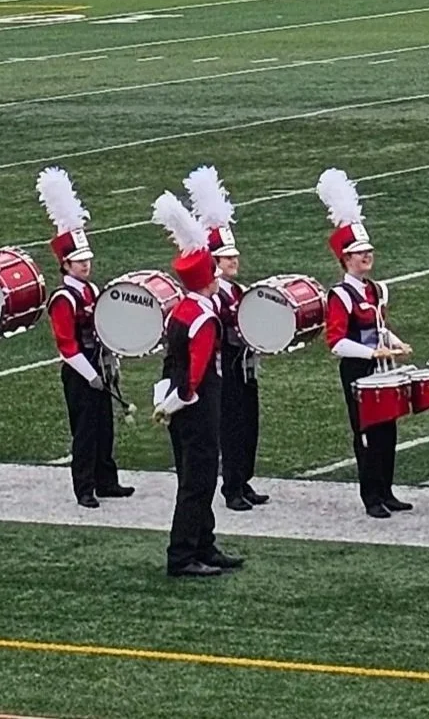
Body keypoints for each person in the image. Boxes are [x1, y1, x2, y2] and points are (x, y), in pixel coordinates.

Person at [152, 190, 244, 578]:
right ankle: (183, 553)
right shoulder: (204, 317)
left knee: (196, 475)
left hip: (180, 400)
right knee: (199, 479)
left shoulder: (182, 308)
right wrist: (187, 396)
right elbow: (198, 367)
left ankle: (204, 544)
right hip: (197, 400)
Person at [317, 168, 412, 519]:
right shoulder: (340, 295)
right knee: (368, 433)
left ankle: (386, 490)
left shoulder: (376, 289)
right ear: (345, 258)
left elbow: (380, 326)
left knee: (388, 429)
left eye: (368, 250)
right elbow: (336, 343)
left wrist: (396, 344)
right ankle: (371, 496)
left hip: (381, 366)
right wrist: (372, 352)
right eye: (359, 253)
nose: (366, 256)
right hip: (358, 370)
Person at [38, 166, 134, 509]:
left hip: (99, 362)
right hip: (80, 370)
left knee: (104, 426)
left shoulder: (92, 290)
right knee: (85, 430)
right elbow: (66, 344)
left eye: (87, 259)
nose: (85, 265)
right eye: (78, 261)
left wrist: (112, 362)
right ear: (65, 265)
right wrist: (90, 374)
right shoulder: (64, 298)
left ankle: (107, 480)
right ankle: (84, 487)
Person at [184, 165, 267, 512]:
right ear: (215, 261)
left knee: (249, 425)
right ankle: (231, 487)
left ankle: (243, 480)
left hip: (244, 365)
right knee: (231, 428)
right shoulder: (217, 294)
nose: (235, 260)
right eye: (228, 257)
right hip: (227, 368)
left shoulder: (238, 290)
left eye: (234, 255)